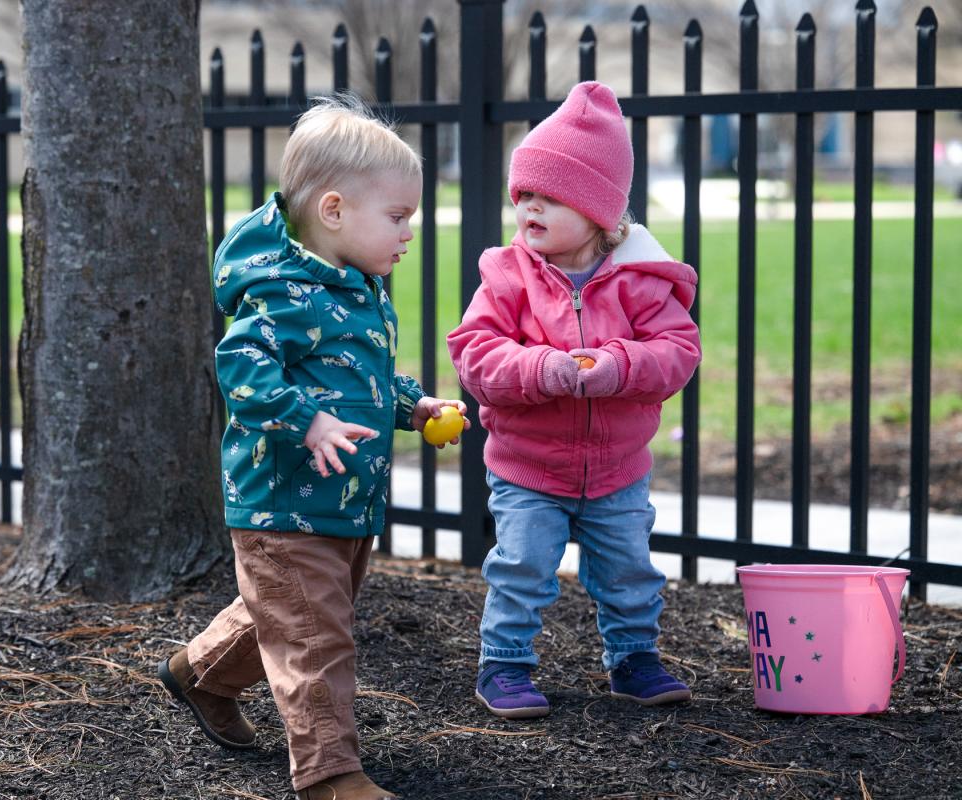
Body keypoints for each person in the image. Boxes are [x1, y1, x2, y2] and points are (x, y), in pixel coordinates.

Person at [160, 95, 468, 800]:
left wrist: (412, 406)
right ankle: (330, 773)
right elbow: (242, 367)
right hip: (282, 501)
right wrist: (309, 422)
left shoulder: (356, 289)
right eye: (398, 217)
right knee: (314, 638)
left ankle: (194, 674)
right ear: (334, 211)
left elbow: (361, 377)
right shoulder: (283, 293)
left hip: (342, 500)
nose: (409, 233)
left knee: (286, 612)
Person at [446, 81, 701, 719]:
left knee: (629, 574)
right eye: (523, 194)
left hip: (616, 470)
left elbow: (678, 352)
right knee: (522, 569)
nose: (529, 208)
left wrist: (616, 365)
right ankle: (503, 665)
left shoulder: (642, 280)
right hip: (529, 468)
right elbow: (474, 355)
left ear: (601, 215)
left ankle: (634, 658)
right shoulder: (507, 276)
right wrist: (545, 369)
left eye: (550, 197)